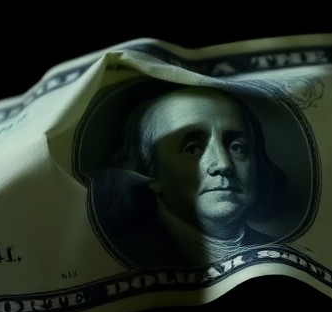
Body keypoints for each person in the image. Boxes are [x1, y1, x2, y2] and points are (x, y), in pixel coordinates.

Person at [90, 84, 288, 267]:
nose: (224, 164)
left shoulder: (280, 252)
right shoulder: (119, 256)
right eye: (193, 149)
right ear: (151, 171)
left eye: (237, 147)